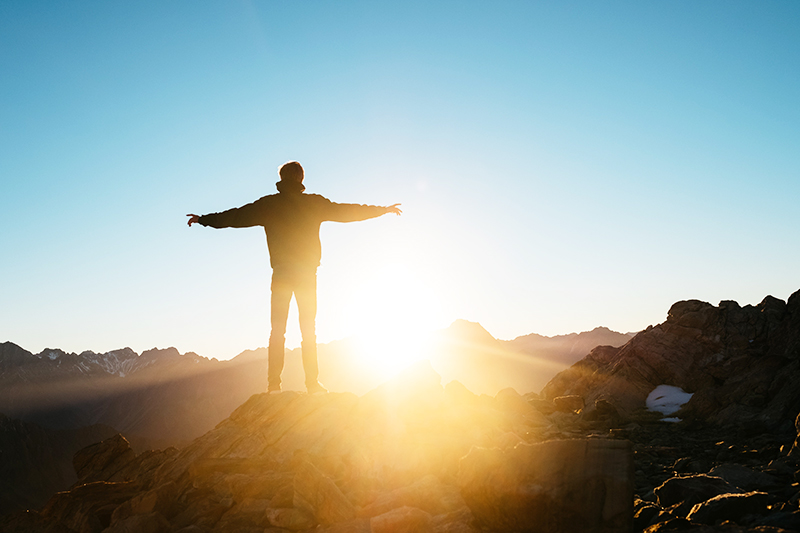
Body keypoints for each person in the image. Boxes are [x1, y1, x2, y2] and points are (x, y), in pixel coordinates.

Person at [187, 161, 401, 394]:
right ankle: (312, 384)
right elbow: (348, 211)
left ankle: (273, 386)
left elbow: (235, 216)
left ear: (281, 177)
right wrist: (382, 210)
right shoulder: (314, 203)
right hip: (307, 274)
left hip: (281, 274)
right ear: (301, 179)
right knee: (308, 329)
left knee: (277, 330)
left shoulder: (269, 204)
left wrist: (203, 219)